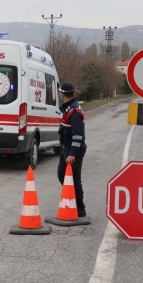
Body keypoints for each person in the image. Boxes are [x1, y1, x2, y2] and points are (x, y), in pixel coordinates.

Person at [57, 82, 87, 217]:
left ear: (62, 94)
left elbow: (77, 134)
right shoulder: (68, 108)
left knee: (74, 178)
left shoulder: (74, 111)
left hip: (73, 150)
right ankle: (72, 199)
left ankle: (80, 208)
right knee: (61, 174)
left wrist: (72, 153)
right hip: (66, 148)